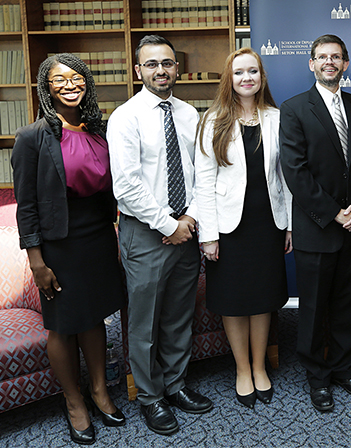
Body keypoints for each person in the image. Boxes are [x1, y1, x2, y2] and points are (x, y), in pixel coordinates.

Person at [12, 53, 126, 445]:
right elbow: (26, 205)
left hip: (97, 236)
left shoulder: (99, 130)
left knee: (93, 316)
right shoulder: (32, 137)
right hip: (58, 243)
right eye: (60, 80)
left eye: (77, 78)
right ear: (46, 86)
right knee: (63, 323)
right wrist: (36, 260)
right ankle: (74, 401)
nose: (70, 85)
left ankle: (99, 391)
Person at [107, 35, 213, 435]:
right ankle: (151, 398)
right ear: (138, 71)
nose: (160, 70)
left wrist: (190, 220)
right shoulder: (125, 117)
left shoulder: (189, 114)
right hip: (146, 233)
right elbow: (127, 187)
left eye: (167, 63)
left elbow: (202, 173)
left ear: (177, 68)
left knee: (178, 317)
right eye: (151, 64)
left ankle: (176, 385)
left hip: (186, 230)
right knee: (145, 322)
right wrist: (168, 225)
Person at [280, 34, 351, 412]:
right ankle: (317, 376)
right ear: (311, 64)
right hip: (317, 227)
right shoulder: (294, 108)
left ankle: (344, 368)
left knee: (350, 302)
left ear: (346, 63)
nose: (329, 62)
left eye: (336, 57)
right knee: (316, 306)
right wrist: (334, 212)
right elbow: (296, 171)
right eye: (322, 57)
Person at [195, 48, 292, 409]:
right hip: (228, 227)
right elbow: (203, 183)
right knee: (234, 301)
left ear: (262, 77)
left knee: (263, 298)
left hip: (268, 223)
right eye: (239, 73)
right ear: (229, 79)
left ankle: (259, 364)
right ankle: (242, 369)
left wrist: (290, 225)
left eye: (253, 71)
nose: (246, 78)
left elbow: (287, 178)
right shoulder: (213, 121)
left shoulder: (277, 119)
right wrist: (208, 234)